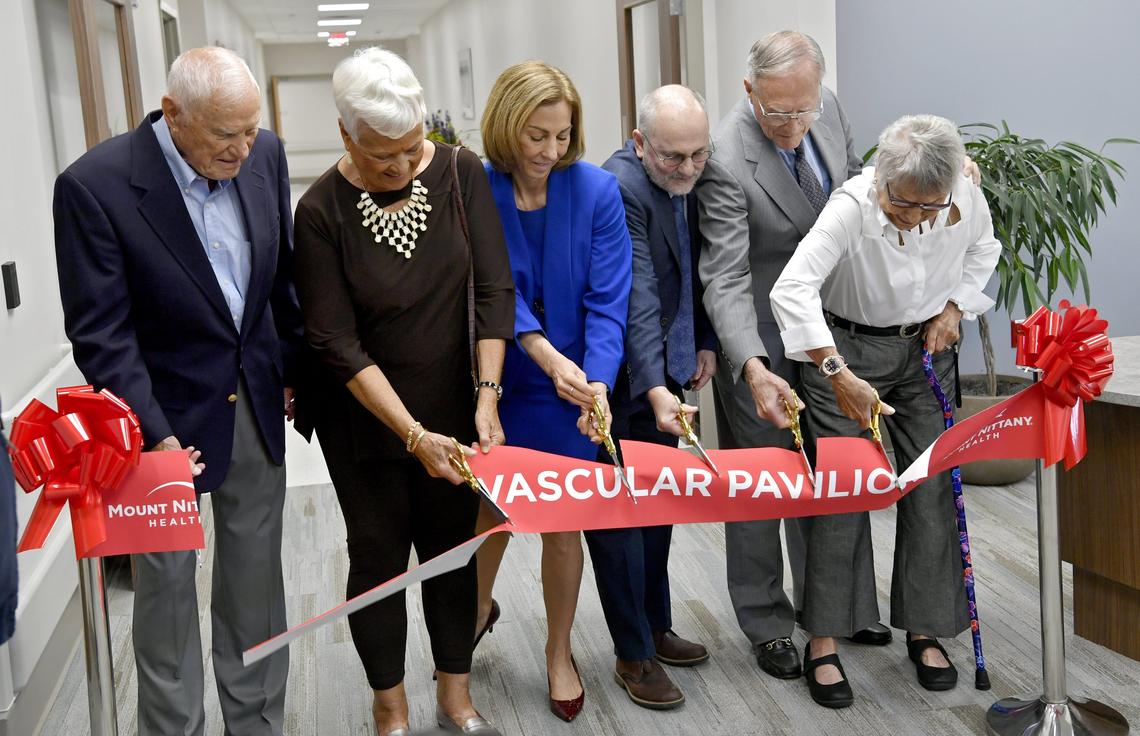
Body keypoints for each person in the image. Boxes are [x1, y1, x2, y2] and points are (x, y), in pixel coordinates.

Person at [52, 47, 301, 735]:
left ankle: (256, 723)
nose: (244, 149)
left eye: (252, 130)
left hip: (249, 405)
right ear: (174, 116)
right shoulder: (94, 186)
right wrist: (154, 435)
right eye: (227, 135)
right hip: (150, 423)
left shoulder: (265, 155)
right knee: (162, 597)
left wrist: (290, 371)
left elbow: (279, 281)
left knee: (255, 588)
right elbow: (102, 334)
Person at [292, 48, 514, 736]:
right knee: (380, 553)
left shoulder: (458, 171)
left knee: (451, 548)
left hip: (454, 396)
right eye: (382, 156)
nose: (399, 167)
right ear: (345, 135)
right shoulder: (320, 210)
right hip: (363, 415)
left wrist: (486, 395)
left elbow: (491, 289)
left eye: (410, 148)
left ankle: (456, 692)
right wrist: (410, 434)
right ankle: (389, 704)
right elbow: (336, 341)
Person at [771, 113, 1000, 707]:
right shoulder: (850, 206)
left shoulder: (964, 198)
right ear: (880, 180)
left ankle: (924, 629)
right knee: (843, 496)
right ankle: (824, 639)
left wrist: (954, 309)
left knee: (930, 490)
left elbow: (984, 250)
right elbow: (791, 289)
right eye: (903, 204)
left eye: (929, 207)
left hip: (924, 348)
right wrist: (835, 373)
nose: (915, 217)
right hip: (844, 353)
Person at [696, 30, 892, 682]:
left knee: (837, 472)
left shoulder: (826, 105)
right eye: (778, 112)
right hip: (759, 337)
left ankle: (837, 606)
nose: (793, 125)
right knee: (761, 484)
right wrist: (750, 365)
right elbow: (723, 277)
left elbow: (857, 182)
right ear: (749, 90)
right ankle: (768, 621)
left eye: (802, 110)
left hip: (829, 332)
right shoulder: (724, 157)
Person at [473, 60, 632, 723]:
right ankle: (476, 611)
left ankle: (559, 650)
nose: (549, 152)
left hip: (573, 392)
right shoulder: (476, 188)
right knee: (490, 516)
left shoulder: (595, 191)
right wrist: (541, 353)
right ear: (507, 128)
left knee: (564, 526)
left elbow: (608, 299)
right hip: (500, 379)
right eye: (536, 136)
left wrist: (596, 383)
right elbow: (489, 290)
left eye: (562, 136)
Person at [590, 84, 716, 710]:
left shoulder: (684, 174)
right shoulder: (621, 186)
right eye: (673, 157)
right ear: (639, 144)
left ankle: (657, 625)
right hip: (620, 382)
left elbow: (693, 269)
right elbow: (638, 295)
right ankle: (632, 653)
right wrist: (657, 382)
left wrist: (704, 340)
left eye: (698, 154)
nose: (688, 168)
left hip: (665, 368)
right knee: (620, 520)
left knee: (660, 506)